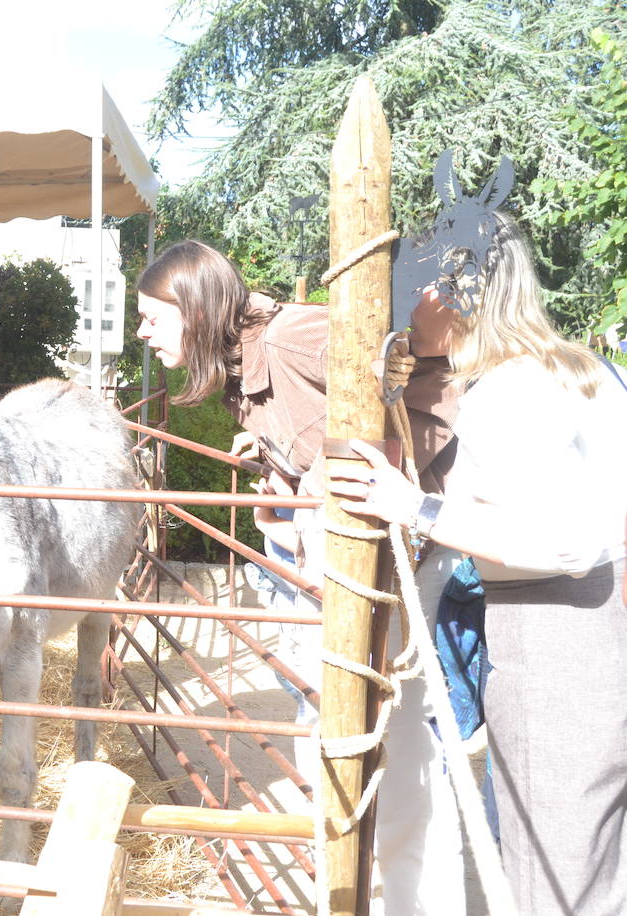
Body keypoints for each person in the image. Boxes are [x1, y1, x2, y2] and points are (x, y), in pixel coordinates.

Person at [136, 239, 466, 915]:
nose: (140, 332)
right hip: (345, 564)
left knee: (391, 744)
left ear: (194, 312)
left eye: (152, 318)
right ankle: (364, 888)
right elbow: (321, 423)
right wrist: (280, 459)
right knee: (339, 731)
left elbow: (418, 380)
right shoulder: (239, 361)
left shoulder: (294, 337)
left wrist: (366, 463)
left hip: (395, 560)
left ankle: (410, 901)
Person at [331, 211, 627, 916]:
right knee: (598, 871)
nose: (405, 308)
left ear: (452, 290)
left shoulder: (507, 394)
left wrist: (414, 508)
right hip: (602, 637)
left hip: (557, 643)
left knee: (555, 882)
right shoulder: (579, 369)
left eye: (415, 285)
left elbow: (566, 543)